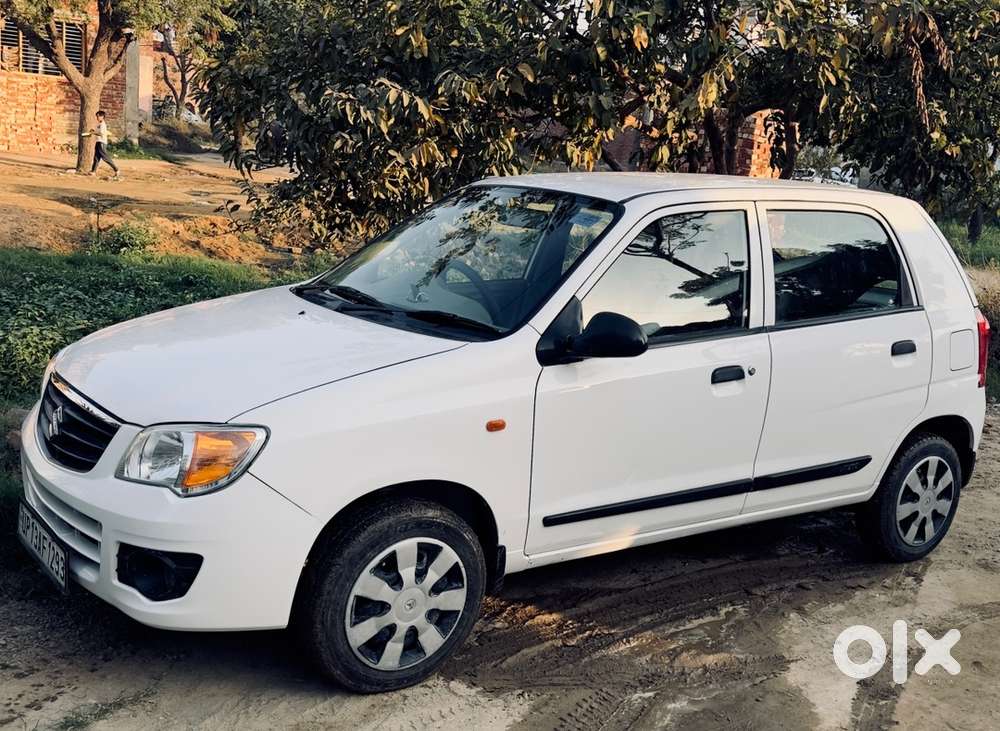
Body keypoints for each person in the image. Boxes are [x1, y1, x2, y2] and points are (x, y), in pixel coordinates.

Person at [89, 111, 120, 180]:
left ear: (102, 117)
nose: (97, 118)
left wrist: (93, 133)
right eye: (96, 116)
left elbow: (101, 134)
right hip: (98, 142)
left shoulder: (103, 124)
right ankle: (93, 171)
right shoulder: (99, 125)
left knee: (105, 158)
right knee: (96, 158)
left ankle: (116, 170)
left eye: (98, 116)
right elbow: (97, 131)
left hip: (102, 142)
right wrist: (93, 131)